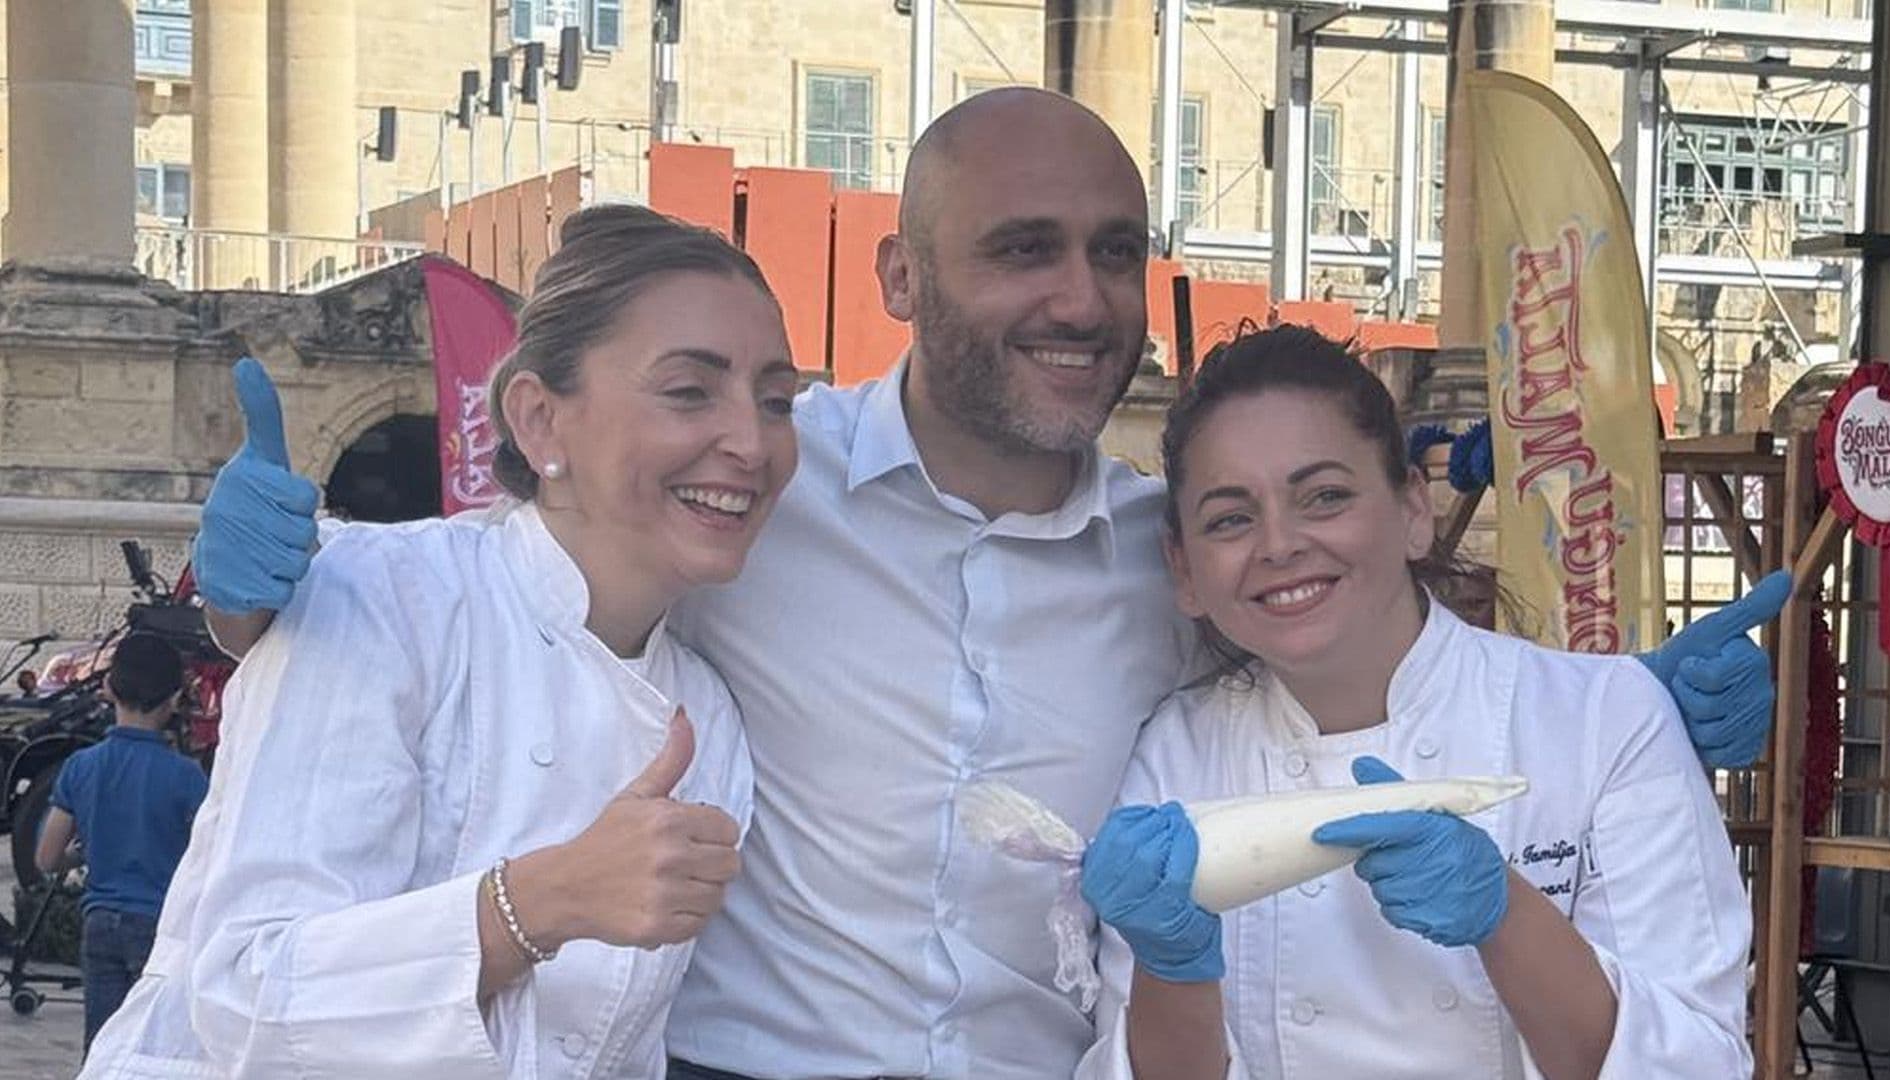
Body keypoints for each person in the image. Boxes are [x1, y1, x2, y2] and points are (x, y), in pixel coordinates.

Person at [192, 89, 1780, 1079]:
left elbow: (1333, 632)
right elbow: (524, 585)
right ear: (902, 277)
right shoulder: (755, 488)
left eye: (1114, 251)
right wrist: (258, 601)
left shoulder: (1172, 556)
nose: (1080, 299)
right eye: (1023, 249)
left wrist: (1598, 709)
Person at [80, 205, 797, 1078]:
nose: (751, 442)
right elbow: (246, 997)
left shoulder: (709, 723)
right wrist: (538, 903)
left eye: (777, 401)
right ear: (539, 420)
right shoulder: (386, 598)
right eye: (689, 390)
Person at [1075, 325, 1750, 1079]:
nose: (1279, 544)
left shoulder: (1605, 722)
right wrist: (1171, 967)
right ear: (1184, 570)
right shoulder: (1172, 757)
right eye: (1231, 519)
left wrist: (1507, 915)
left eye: (1325, 497)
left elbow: (1697, 1063)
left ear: (1413, 511)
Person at [35, 633, 209, 1053]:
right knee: (155, 1048)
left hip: (100, 924)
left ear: (110, 688)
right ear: (174, 699)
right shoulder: (187, 777)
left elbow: (47, 858)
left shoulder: (81, 767)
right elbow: (207, 855)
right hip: (160, 929)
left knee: (102, 1047)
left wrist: (80, 854)